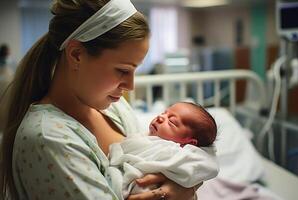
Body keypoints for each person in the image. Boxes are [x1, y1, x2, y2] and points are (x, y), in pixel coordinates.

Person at [0, 0, 200, 199]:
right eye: (123, 70)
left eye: (134, 71)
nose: (130, 85)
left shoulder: (115, 108)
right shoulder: (49, 138)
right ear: (77, 54)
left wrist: (186, 188)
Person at [107, 102, 219, 199]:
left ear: (190, 143)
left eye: (171, 122)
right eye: (164, 113)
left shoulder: (178, 153)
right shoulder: (145, 137)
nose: (160, 117)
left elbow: (205, 166)